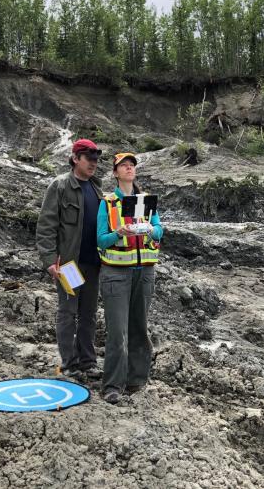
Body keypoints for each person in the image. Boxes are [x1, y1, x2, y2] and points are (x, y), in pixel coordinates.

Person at [97, 152, 164, 404]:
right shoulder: (108, 203)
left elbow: (159, 229)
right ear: (115, 173)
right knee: (117, 331)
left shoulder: (147, 201)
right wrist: (118, 233)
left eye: (131, 166)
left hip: (144, 272)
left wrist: (151, 229)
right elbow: (100, 239)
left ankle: (137, 380)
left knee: (139, 327)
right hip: (115, 273)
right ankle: (113, 384)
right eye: (123, 166)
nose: (128, 169)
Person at [36, 139, 104, 380]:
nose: (93, 164)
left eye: (96, 159)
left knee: (89, 313)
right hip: (69, 264)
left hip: (93, 263)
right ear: (76, 158)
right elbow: (46, 225)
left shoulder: (97, 188)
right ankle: (69, 364)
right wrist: (49, 260)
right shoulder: (60, 185)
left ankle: (88, 362)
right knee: (68, 312)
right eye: (89, 159)